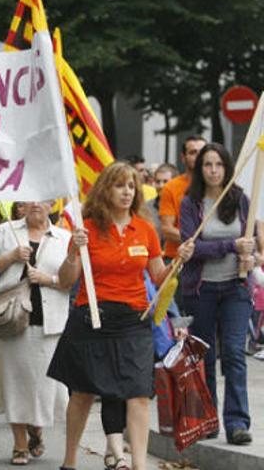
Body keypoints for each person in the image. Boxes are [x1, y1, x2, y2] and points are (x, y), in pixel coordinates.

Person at [48, 162, 193, 470]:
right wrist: (73, 252)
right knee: (83, 394)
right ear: (105, 190)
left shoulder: (144, 229)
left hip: (134, 321)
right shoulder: (86, 227)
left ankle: (139, 465)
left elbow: (158, 277)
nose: (127, 191)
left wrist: (177, 262)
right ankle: (69, 460)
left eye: (131, 186)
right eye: (120, 185)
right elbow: (64, 280)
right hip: (93, 318)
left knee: (139, 394)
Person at [180, 143, 256, 445]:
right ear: (200, 170)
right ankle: (208, 420)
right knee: (205, 356)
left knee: (235, 353)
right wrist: (230, 246)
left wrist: (252, 258)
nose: (213, 170)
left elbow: (252, 243)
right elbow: (191, 248)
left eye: (219, 165)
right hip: (201, 290)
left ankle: (237, 422)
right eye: (208, 165)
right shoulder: (191, 203)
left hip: (237, 288)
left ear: (227, 168)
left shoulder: (240, 200)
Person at [0, 200, 72, 466]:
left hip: (50, 323)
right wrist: (11, 257)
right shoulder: (5, 231)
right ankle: (19, 443)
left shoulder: (64, 237)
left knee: (44, 387)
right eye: (30, 198)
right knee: (14, 383)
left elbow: (71, 281)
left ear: (52, 205)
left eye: (43, 200)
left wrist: (49, 280)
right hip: (11, 318)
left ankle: (36, 429)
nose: (36, 204)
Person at [160, 136, 207, 263]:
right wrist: (200, 242)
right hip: (177, 258)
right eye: (192, 152)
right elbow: (167, 229)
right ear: (183, 157)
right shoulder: (171, 187)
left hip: (210, 259)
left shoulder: (218, 186)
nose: (198, 156)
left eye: (202, 152)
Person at [147, 163, 179, 239]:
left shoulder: (185, 207)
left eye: (165, 182)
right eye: (158, 182)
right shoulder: (146, 208)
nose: (161, 186)